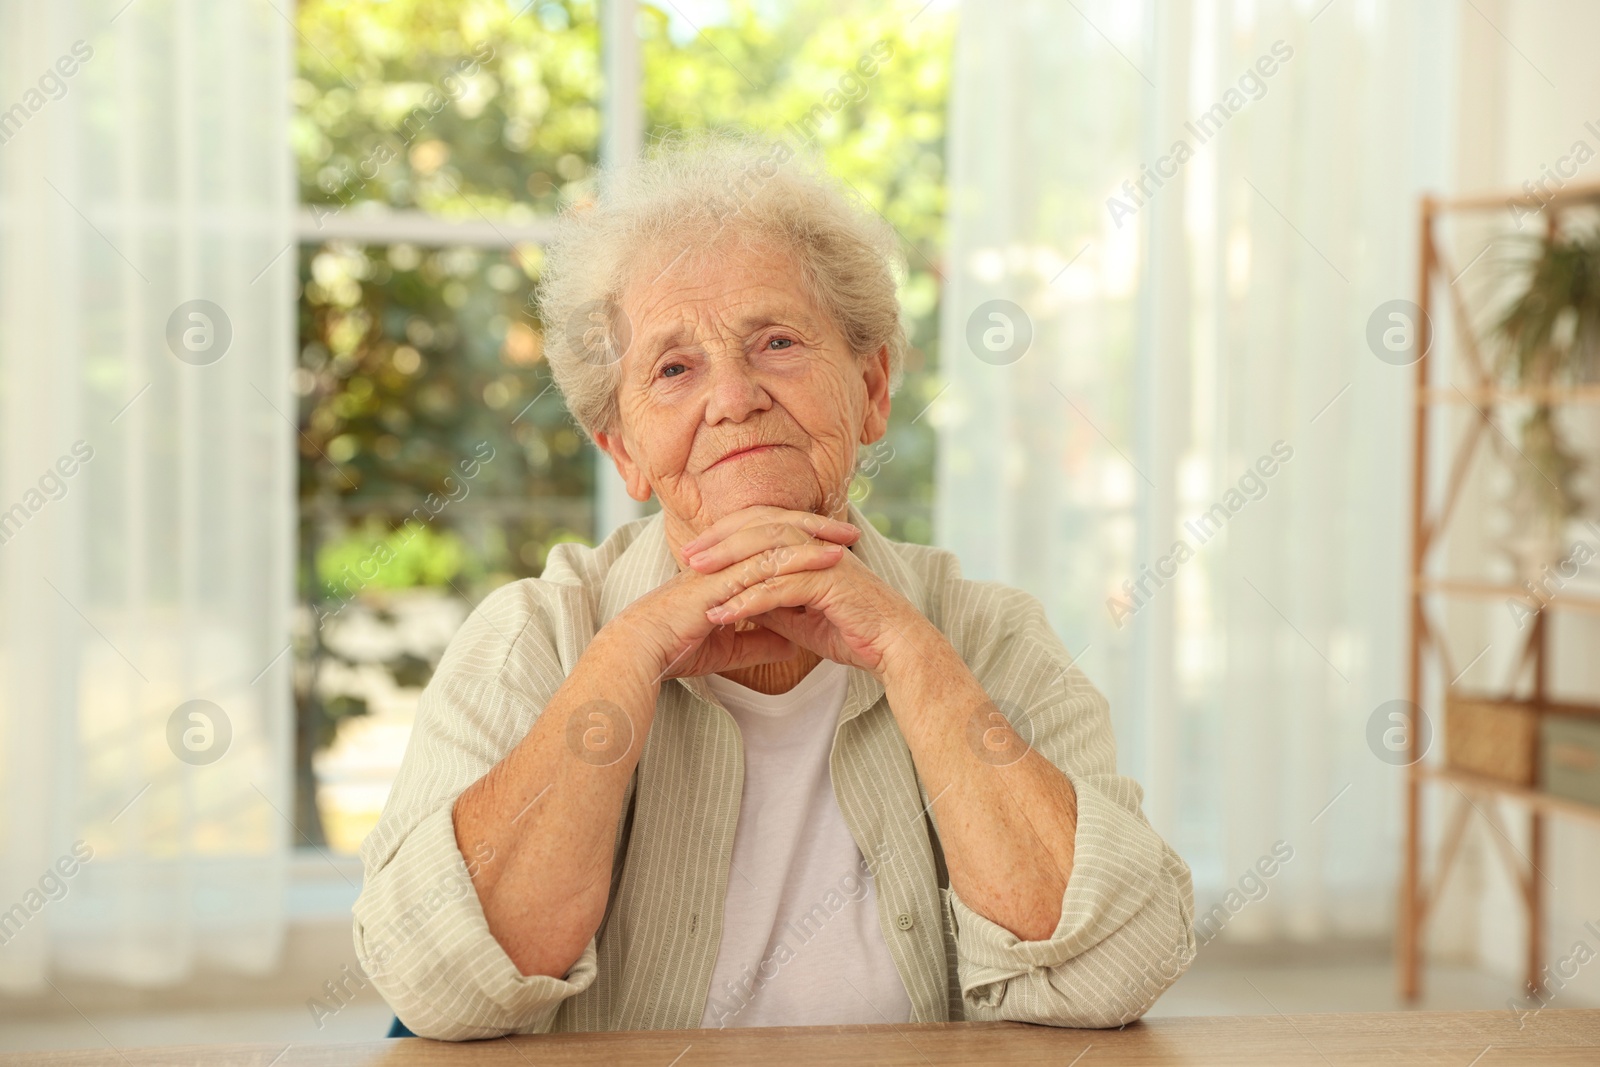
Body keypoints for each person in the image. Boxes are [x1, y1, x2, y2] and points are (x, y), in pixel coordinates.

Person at [352, 134, 1195, 1038]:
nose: (734, 397)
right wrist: (629, 655)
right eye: (674, 368)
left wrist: (909, 653)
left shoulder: (990, 637)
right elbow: (435, 987)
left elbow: (1117, 968)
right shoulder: (534, 636)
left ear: (871, 390)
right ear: (625, 449)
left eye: (777, 342)